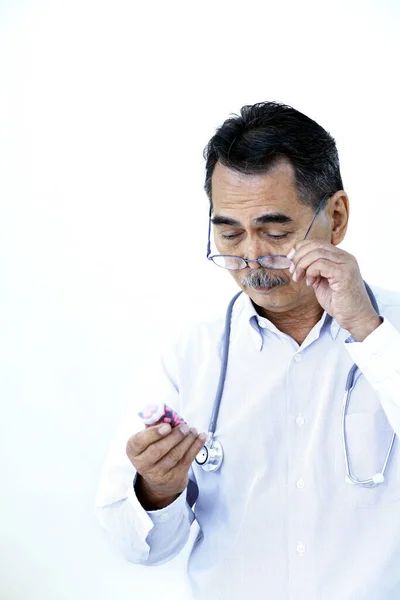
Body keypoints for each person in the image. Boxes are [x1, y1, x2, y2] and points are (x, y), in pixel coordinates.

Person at [95, 101, 400, 600]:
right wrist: (156, 491)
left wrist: (368, 330)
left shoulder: (391, 331)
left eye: (276, 232)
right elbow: (141, 547)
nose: (252, 257)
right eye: (230, 232)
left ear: (337, 217)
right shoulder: (189, 358)